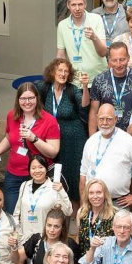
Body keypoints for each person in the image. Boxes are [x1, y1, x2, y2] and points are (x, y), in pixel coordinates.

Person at [79, 102, 132, 211]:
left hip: (117, 204)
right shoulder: (91, 141)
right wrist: (83, 205)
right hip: (93, 203)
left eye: (109, 119)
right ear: (97, 118)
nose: (104, 123)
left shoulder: (127, 140)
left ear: (116, 119)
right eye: (101, 119)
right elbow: (83, 174)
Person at [4, 85, 61, 219]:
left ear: (37, 98)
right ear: (18, 100)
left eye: (31, 98)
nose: (27, 102)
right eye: (23, 98)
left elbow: (53, 152)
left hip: (36, 176)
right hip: (13, 175)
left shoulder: (49, 120)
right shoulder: (12, 115)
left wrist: (33, 138)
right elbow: (8, 138)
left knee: (34, 216)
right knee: (13, 216)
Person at [44, 56, 91, 192]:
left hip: (73, 140)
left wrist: (85, 87)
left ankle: (75, 203)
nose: (63, 74)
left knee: (73, 174)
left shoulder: (72, 90)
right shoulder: (44, 88)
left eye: (66, 71)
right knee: (54, 172)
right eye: (60, 70)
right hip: (51, 139)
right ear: (52, 72)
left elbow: (84, 105)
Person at [87, 42, 132, 134]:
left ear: (128, 58)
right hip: (107, 134)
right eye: (114, 60)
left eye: (122, 59)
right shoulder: (99, 80)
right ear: (109, 60)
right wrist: (92, 138)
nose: (118, 64)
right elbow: (94, 112)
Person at [13, 151, 72, 248]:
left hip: (44, 240)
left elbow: (68, 211)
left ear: (46, 168)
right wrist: (18, 233)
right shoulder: (24, 186)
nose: (37, 171)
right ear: (29, 170)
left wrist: (61, 191)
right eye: (33, 168)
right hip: (24, 239)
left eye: (40, 167)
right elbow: (17, 213)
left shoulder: (54, 188)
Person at [55, 0, 110, 81]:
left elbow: (103, 52)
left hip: (98, 78)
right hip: (75, 80)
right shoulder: (62, 25)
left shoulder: (96, 19)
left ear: (85, 4)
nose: (77, 8)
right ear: (68, 5)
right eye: (73, 5)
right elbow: (61, 55)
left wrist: (94, 38)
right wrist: (60, 77)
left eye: (80, 4)